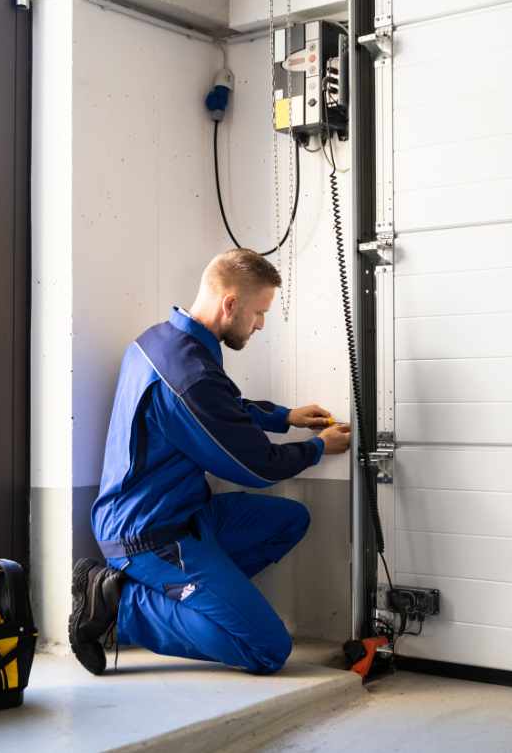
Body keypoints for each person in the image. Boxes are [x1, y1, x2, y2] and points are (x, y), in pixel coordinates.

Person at [68, 248, 352, 676]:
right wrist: (316, 448)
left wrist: (284, 417)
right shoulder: (188, 375)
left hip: (185, 514)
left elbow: (222, 407)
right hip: (148, 536)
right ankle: (120, 606)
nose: (259, 325)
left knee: (289, 520)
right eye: (259, 313)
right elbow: (256, 467)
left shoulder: (161, 341)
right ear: (231, 304)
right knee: (268, 649)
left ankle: (197, 601)